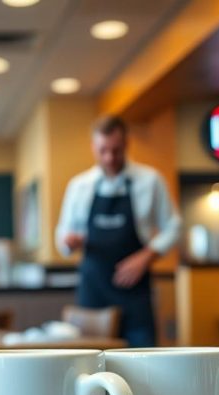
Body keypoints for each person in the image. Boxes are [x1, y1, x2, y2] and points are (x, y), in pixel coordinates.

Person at [55, 115, 181, 347]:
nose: (109, 157)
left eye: (116, 150)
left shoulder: (150, 180)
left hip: (135, 294)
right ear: (93, 147)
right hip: (93, 291)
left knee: (143, 368)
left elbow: (174, 226)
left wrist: (146, 256)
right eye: (103, 150)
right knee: (92, 367)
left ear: (126, 144)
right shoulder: (79, 186)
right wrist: (69, 241)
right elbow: (62, 235)